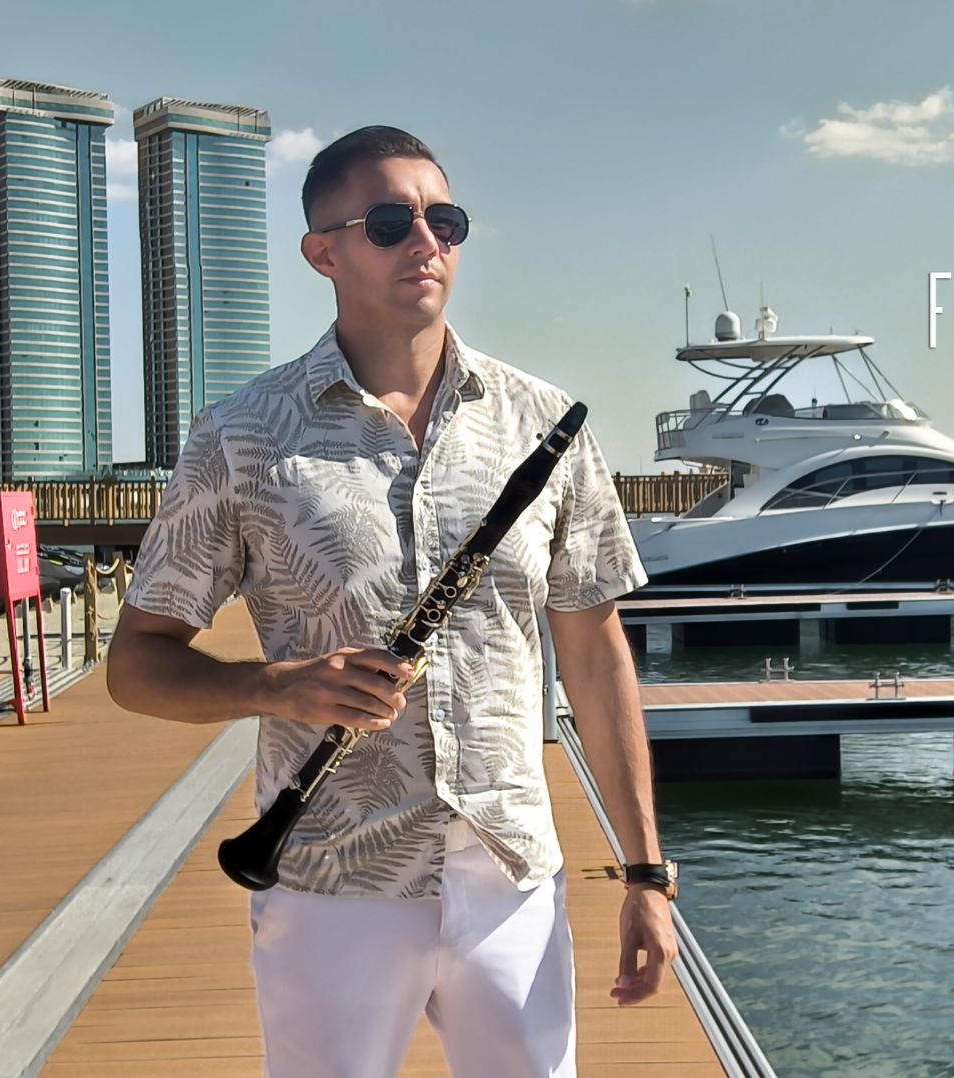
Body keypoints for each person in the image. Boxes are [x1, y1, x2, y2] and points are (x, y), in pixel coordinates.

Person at [106, 125, 677, 1078]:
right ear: (322, 253)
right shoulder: (242, 436)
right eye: (388, 222)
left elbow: (594, 654)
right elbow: (135, 667)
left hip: (508, 867)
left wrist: (646, 873)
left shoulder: (545, 423)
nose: (425, 241)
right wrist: (279, 686)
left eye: (443, 220)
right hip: (330, 874)